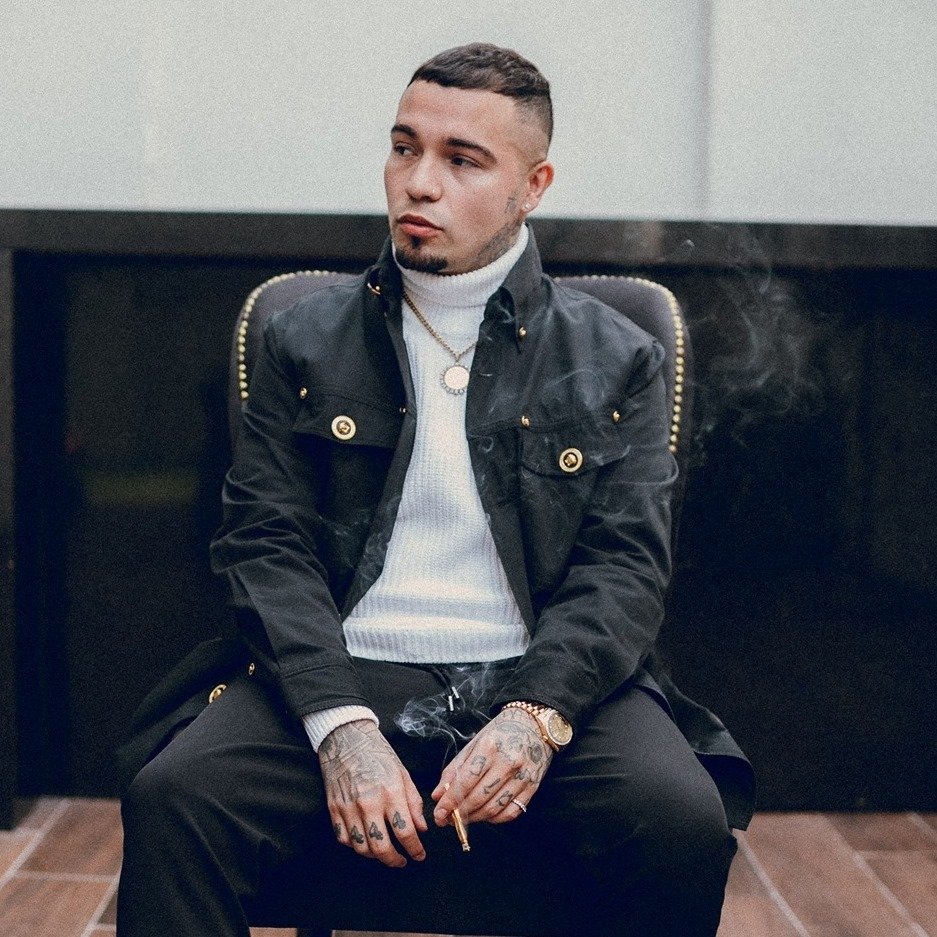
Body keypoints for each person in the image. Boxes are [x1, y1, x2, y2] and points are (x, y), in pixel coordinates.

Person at [117, 42, 754, 937]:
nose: (418, 182)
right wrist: (339, 723)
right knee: (175, 797)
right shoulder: (302, 339)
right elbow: (264, 542)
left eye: (462, 160)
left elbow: (624, 569)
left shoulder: (616, 357)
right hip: (341, 665)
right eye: (403, 147)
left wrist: (534, 716)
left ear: (532, 186)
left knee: (677, 817)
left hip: (536, 674)